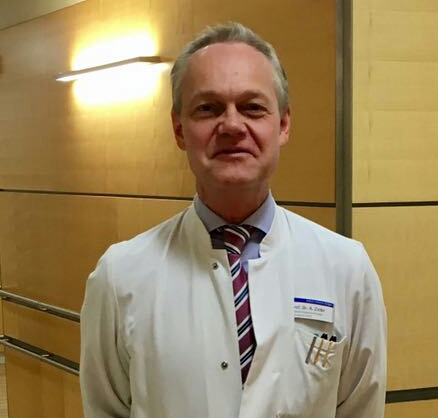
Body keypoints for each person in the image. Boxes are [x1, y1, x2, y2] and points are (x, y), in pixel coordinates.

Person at [80, 22, 387, 418]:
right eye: (207, 108)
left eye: (252, 107)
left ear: (283, 125)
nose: (231, 125)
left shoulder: (346, 268)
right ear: (179, 129)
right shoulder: (120, 276)